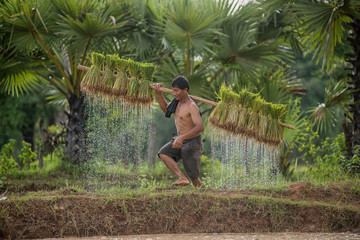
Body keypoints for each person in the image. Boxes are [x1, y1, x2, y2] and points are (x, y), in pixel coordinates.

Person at [154, 76, 204, 187]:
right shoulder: (176, 102)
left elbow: (200, 127)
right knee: (164, 153)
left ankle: (203, 195)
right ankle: (181, 177)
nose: (174, 93)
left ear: (185, 90)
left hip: (192, 142)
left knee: (194, 178)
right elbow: (166, 110)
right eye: (173, 90)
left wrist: (182, 138)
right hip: (179, 140)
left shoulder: (191, 106)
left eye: (177, 90)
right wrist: (158, 93)